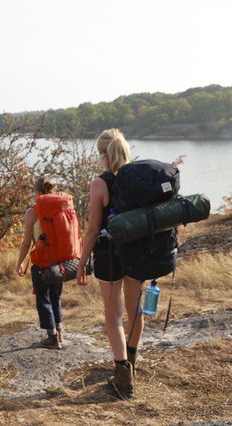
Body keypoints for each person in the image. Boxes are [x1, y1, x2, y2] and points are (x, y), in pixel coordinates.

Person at [77, 128, 142, 399]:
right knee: (135, 309)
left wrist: (81, 263)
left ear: (103, 154)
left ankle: (122, 377)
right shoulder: (140, 179)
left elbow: (92, 230)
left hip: (110, 257)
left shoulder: (100, 184)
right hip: (139, 253)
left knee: (113, 314)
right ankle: (131, 363)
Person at [16, 177, 65, 350]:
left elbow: (26, 242)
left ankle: (52, 338)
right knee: (55, 297)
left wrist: (20, 262)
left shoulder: (33, 212)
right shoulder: (61, 207)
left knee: (43, 299)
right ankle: (60, 333)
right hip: (60, 262)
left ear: (38, 193)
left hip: (42, 262)